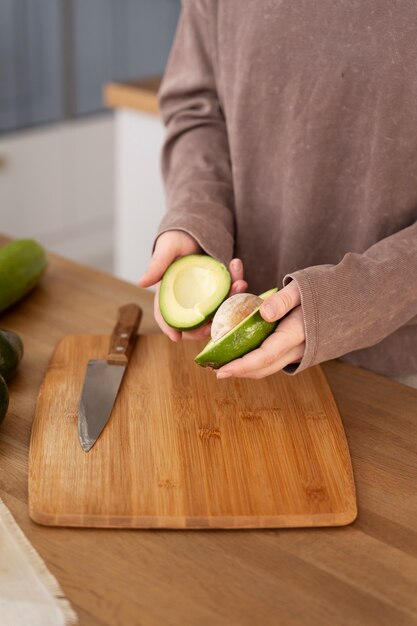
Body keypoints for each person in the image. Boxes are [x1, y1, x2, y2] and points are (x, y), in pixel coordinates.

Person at [140, 1, 417, 386]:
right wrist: (195, 217)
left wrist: (344, 304)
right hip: (239, 345)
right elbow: (197, 108)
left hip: (393, 377)